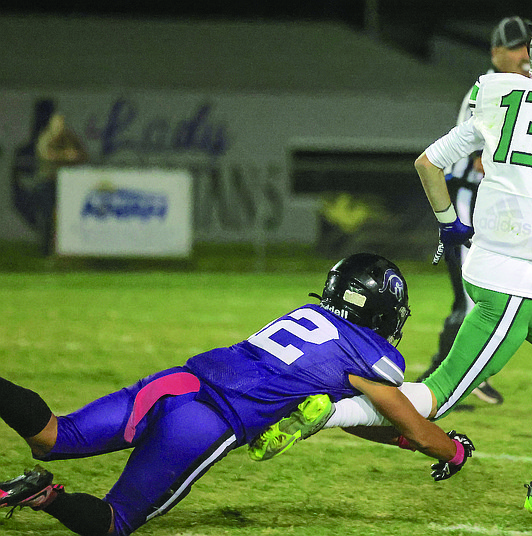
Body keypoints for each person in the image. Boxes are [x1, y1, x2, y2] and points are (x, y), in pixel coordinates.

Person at [251, 13, 532, 520]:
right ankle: (325, 413)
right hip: (516, 275)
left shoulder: (496, 90)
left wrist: (450, 224)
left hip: (487, 258)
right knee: (439, 393)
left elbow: (428, 163)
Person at [0, 253, 474, 536]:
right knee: (115, 520)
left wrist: (405, 439)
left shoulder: (309, 318)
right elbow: (405, 418)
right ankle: (43, 496)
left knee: (54, 435)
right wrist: (452, 450)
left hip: (177, 383)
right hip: (207, 421)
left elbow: (349, 417)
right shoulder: (366, 354)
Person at [417, 17, 532, 409]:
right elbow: (482, 157)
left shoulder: (526, 87)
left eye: (527, 46)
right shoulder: (485, 90)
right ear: (495, 53)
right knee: (471, 297)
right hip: (467, 202)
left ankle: (462, 376)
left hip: (491, 205)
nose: (524, 54)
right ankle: (441, 377)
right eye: (516, 47)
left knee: (487, 294)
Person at [34, 112, 88, 256]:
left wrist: (76, 155)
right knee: (47, 217)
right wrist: (66, 155)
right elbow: (46, 154)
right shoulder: (45, 137)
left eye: (62, 125)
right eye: (57, 125)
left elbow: (83, 154)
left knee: (68, 216)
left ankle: (67, 250)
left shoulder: (70, 137)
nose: (60, 128)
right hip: (47, 181)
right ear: (52, 125)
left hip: (66, 183)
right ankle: (45, 251)